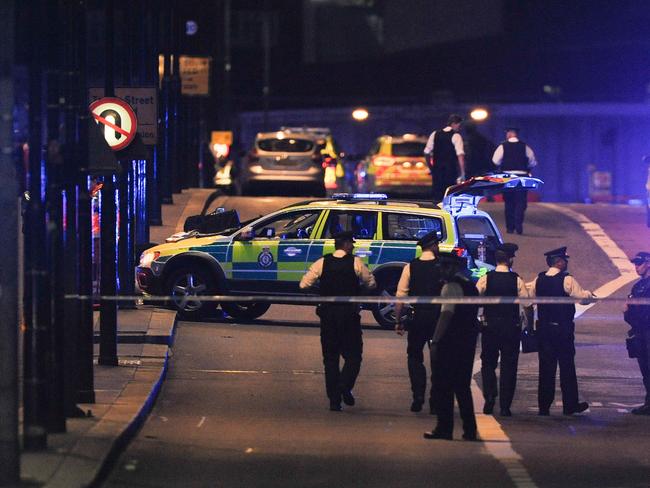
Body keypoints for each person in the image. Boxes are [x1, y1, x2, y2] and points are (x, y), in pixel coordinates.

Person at [299, 230, 376, 411]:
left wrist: (321, 293)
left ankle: (334, 400)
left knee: (330, 358)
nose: (354, 246)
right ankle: (344, 386)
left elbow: (304, 285)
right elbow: (371, 284)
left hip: (328, 315)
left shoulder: (322, 262)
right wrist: (359, 295)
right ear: (346, 244)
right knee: (354, 356)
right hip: (349, 316)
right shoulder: (355, 262)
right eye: (352, 243)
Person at [528, 247, 595, 416]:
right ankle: (569, 405)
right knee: (567, 368)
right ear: (559, 262)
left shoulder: (539, 279)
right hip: (562, 331)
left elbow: (526, 296)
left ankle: (544, 407)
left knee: (546, 369)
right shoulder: (567, 280)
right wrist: (590, 295)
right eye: (565, 260)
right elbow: (582, 298)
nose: (566, 263)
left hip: (544, 330)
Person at [424, 255, 480, 441]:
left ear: (452, 268)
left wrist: (436, 341)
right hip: (468, 341)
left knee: (443, 386)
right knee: (462, 387)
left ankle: (444, 428)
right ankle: (470, 430)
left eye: (444, 267)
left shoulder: (451, 287)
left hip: (451, 342)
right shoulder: (470, 286)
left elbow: (446, 314)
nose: (440, 271)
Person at [476, 243, 531, 417]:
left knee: (488, 363)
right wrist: (529, 325)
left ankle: (490, 397)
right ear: (509, 259)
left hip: (490, 326)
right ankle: (505, 406)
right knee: (509, 366)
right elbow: (527, 304)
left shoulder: (486, 278)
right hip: (510, 328)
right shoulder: (517, 280)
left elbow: (474, 297)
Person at [394, 230, 444, 414]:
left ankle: (418, 395)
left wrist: (398, 321)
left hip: (418, 317)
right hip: (438, 318)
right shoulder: (442, 266)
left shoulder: (411, 267)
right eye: (437, 245)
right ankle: (435, 400)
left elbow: (400, 297)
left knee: (415, 356)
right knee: (439, 359)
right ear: (432, 246)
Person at [491, 127, 538, 234]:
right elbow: (533, 162)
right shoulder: (525, 147)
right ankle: (519, 224)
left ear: (509, 134)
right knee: (521, 202)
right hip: (522, 176)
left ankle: (510, 227)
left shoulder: (503, 146)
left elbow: (495, 161)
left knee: (509, 202)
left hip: (508, 177)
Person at [624, 252, 650, 415]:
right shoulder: (638, 285)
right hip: (640, 331)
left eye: (639, 263)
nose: (636, 267)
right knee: (645, 369)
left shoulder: (643, 286)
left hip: (646, 331)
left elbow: (633, 310)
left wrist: (629, 310)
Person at [424, 114, 466, 202]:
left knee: (437, 198)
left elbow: (426, 152)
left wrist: (431, 167)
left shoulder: (435, 134)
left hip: (437, 171)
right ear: (454, 123)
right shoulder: (456, 136)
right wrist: (462, 173)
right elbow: (460, 156)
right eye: (459, 124)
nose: (460, 127)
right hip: (450, 172)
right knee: (449, 198)